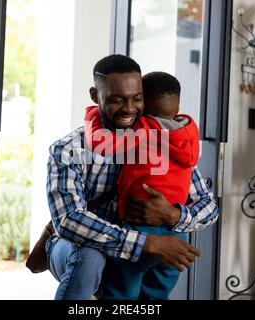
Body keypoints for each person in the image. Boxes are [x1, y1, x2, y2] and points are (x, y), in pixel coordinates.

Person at [45, 54, 219, 300]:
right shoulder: (68, 149)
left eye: (137, 99)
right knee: (89, 259)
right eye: (117, 100)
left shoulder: (161, 143)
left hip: (135, 253)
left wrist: (174, 215)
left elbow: (209, 206)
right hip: (77, 246)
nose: (129, 109)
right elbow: (70, 221)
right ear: (95, 96)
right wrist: (148, 243)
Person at [84, 71, 201, 299]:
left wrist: (92, 114)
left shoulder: (143, 128)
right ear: (177, 110)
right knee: (155, 297)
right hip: (177, 239)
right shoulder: (188, 135)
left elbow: (100, 144)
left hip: (138, 231)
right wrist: (176, 216)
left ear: (142, 106)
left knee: (120, 294)